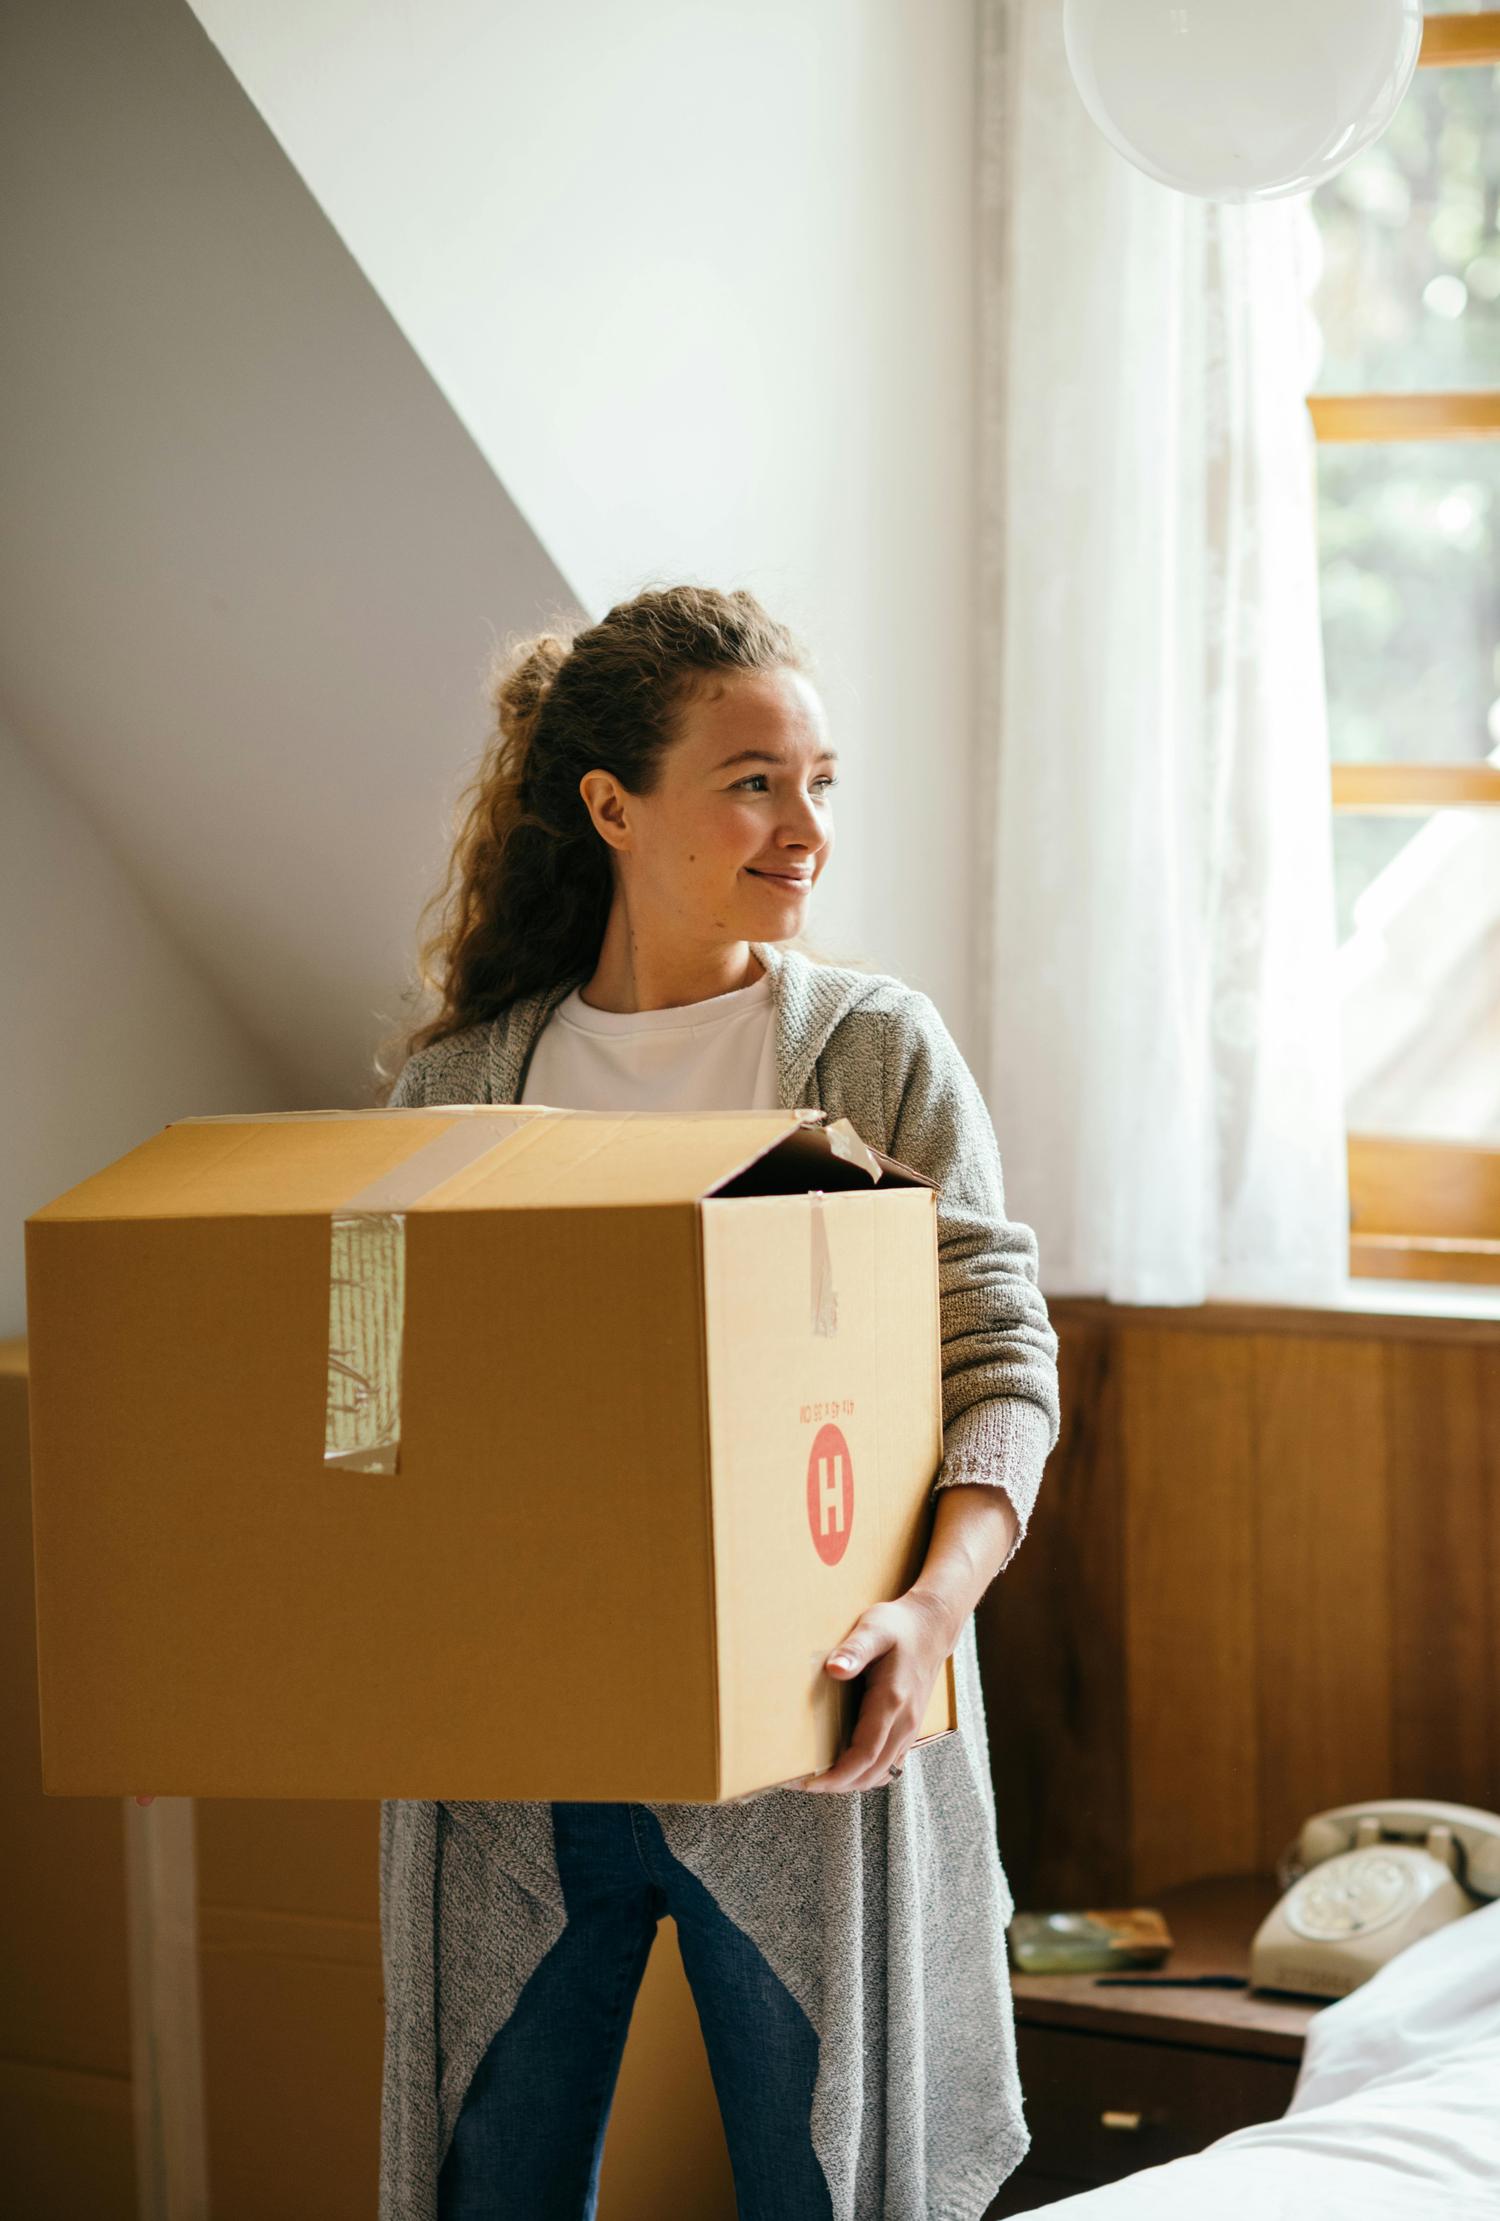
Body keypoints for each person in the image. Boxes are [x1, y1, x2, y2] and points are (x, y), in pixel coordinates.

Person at [374, 583, 1061, 2221]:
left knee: (829, 2188)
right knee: (491, 2189)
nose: (804, 826)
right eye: (755, 780)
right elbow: (371, 1404)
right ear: (613, 805)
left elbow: (1000, 1362)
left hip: (812, 1743)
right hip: (519, 1753)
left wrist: (930, 1612)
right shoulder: (461, 1085)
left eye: (822, 779)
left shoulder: (870, 1049)